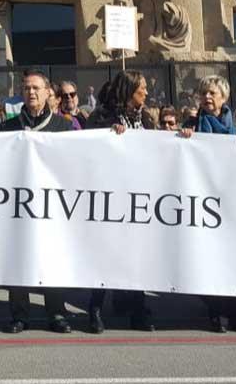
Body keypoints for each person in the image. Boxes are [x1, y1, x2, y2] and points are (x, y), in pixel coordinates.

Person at [0, 71, 72, 334]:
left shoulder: (63, 128)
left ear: (48, 92)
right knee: (18, 258)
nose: (31, 92)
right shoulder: (8, 128)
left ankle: (57, 313)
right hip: (17, 207)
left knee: (52, 259)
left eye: (36, 88)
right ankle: (19, 315)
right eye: (26, 88)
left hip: (52, 207)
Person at [85, 70, 156, 333]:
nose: (146, 93)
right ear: (128, 92)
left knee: (136, 256)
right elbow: (89, 151)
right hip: (109, 197)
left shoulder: (146, 119)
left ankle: (138, 309)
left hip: (138, 197)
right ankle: (95, 308)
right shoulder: (102, 117)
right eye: (142, 89)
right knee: (105, 255)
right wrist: (109, 137)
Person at [177, 76, 236, 333]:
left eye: (212, 93)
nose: (207, 97)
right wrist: (184, 137)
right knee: (213, 258)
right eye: (203, 93)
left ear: (224, 97)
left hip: (233, 199)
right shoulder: (192, 123)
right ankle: (217, 313)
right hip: (205, 198)